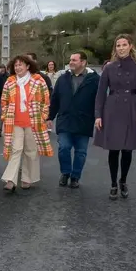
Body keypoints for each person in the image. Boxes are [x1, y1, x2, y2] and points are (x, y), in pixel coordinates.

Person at [94, 34, 136, 200]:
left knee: (127, 149)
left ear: (130, 46)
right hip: (112, 109)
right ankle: (112, 183)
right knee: (114, 148)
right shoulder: (109, 68)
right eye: (118, 45)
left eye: (124, 45)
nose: (121, 48)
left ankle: (123, 180)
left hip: (132, 108)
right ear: (115, 48)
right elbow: (100, 93)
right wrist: (98, 115)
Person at [0, 55, 52, 193]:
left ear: (28, 66)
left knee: (31, 151)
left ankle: (27, 179)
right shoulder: (10, 81)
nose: (17, 68)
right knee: (15, 149)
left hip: (33, 122)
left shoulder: (38, 81)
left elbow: (46, 100)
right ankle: (10, 180)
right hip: (14, 122)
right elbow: (3, 101)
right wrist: (5, 116)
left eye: (20, 65)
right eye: (15, 65)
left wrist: (44, 115)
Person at [48, 51, 99, 188]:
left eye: (74, 60)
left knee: (81, 152)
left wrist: (99, 117)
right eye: (70, 60)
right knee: (63, 148)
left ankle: (75, 176)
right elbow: (55, 99)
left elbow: (100, 101)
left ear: (83, 62)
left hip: (84, 121)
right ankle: (65, 173)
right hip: (65, 120)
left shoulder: (94, 80)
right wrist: (50, 116)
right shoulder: (63, 79)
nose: (71, 62)